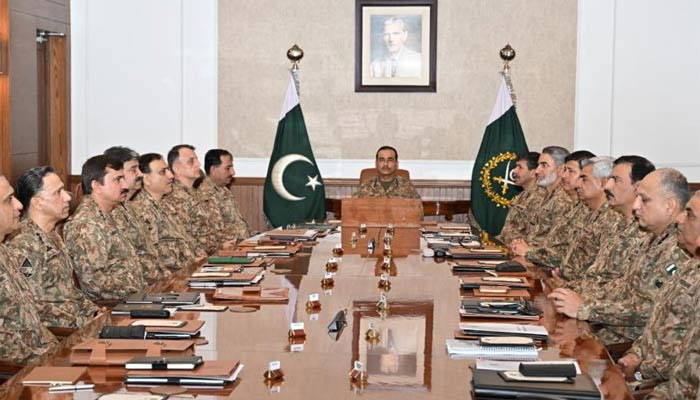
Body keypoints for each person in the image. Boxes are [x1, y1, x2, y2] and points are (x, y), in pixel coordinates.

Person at [548, 168, 693, 345]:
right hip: (606, 330)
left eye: (644, 200)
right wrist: (576, 293)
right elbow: (621, 286)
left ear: (669, 206)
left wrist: (585, 308)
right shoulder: (655, 238)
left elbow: (651, 309)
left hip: (625, 343)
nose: (635, 206)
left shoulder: (681, 249)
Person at [616, 190, 700, 387]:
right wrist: (634, 355)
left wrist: (637, 371)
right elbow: (657, 322)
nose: (679, 219)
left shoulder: (681, 255)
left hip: (657, 381)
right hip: (646, 373)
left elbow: (685, 370)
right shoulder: (690, 262)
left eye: (690, 214)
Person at [8, 166, 99, 329]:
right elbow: (34, 306)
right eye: (58, 192)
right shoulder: (23, 244)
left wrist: (95, 313)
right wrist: (84, 323)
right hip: (60, 333)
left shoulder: (52, 234)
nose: (67, 197)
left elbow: (69, 292)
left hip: (78, 324)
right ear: (37, 202)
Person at [566, 155, 655, 293]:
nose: (607, 186)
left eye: (616, 180)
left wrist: (576, 296)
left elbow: (626, 290)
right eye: (610, 179)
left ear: (638, 187)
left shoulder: (647, 231)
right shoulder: (618, 222)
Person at [64, 155, 145, 302]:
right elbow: (95, 284)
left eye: (123, 179)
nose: (125, 186)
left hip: (134, 298)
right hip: (115, 305)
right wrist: (138, 293)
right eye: (117, 180)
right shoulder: (86, 224)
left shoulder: (111, 213)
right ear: (96, 186)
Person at [0, 173, 57, 363]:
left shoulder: (4, 251)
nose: (18, 205)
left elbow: (29, 317)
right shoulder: (18, 245)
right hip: (21, 369)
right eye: (8, 200)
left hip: (44, 352)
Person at [510, 150, 595, 259]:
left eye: (570, 171)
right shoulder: (573, 205)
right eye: (565, 170)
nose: (563, 175)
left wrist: (528, 251)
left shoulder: (566, 202)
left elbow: (564, 254)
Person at [104, 146, 167, 284]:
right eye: (133, 170)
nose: (140, 174)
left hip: (154, 282)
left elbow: (149, 251)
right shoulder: (110, 212)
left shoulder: (129, 207)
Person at [130, 153, 200, 270]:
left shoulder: (166, 205)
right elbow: (153, 255)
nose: (170, 175)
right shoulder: (141, 210)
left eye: (168, 170)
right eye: (163, 172)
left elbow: (184, 240)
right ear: (146, 179)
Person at [162, 145, 222, 254]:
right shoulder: (174, 197)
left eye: (197, 160)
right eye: (191, 161)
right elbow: (185, 240)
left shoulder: (196, 193)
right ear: (176, 168)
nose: (198, 164)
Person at [508, 146, 571, 247]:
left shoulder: (564, 200)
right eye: (538, 165)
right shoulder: (545, 196)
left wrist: (527, 251)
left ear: (561, 169)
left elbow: (556, 246)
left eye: (544, 165)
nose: (537, 171)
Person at [199, 149, 252, 241]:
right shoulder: (206, 195)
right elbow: (217, 234)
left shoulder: (224, 190)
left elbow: (238, 225)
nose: (233, 172)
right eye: (228, 168)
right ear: (213, 169)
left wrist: (260, 237)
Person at [498, 151, 543, 243]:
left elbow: (532, 237)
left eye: (520, 167)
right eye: (516, 166)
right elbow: (507, 233)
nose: (514, 171)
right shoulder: (521, 196)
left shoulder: (540, 198)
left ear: (533, 172)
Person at [353, 145, 420, 199]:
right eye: (382, 160)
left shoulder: (408, 188)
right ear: (376, 163)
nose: (385, 164)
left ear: (396, 163)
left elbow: (418, 213)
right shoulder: (365, 187)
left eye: (390, 160)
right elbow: (351, 210)